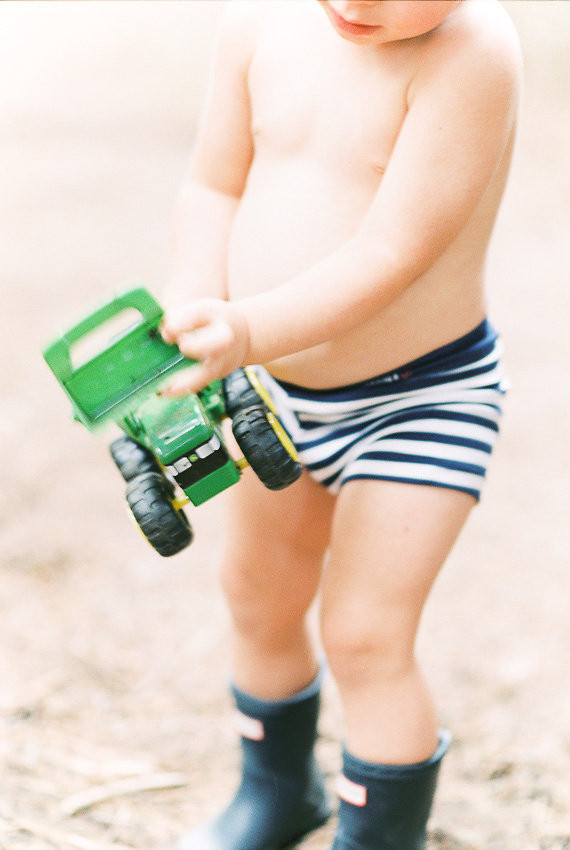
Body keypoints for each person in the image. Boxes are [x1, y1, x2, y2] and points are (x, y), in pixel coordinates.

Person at [161, 1, 522, 848]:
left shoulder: (471, 54)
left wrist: (246, 328)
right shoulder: (256, 25)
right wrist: (191, 311)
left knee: (365, 634)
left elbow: (392, 253)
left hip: (420, 400)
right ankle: (278, 789)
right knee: (258, 596)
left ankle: (378, 835)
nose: (360, 2)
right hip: (275, 394)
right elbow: (212, 185)